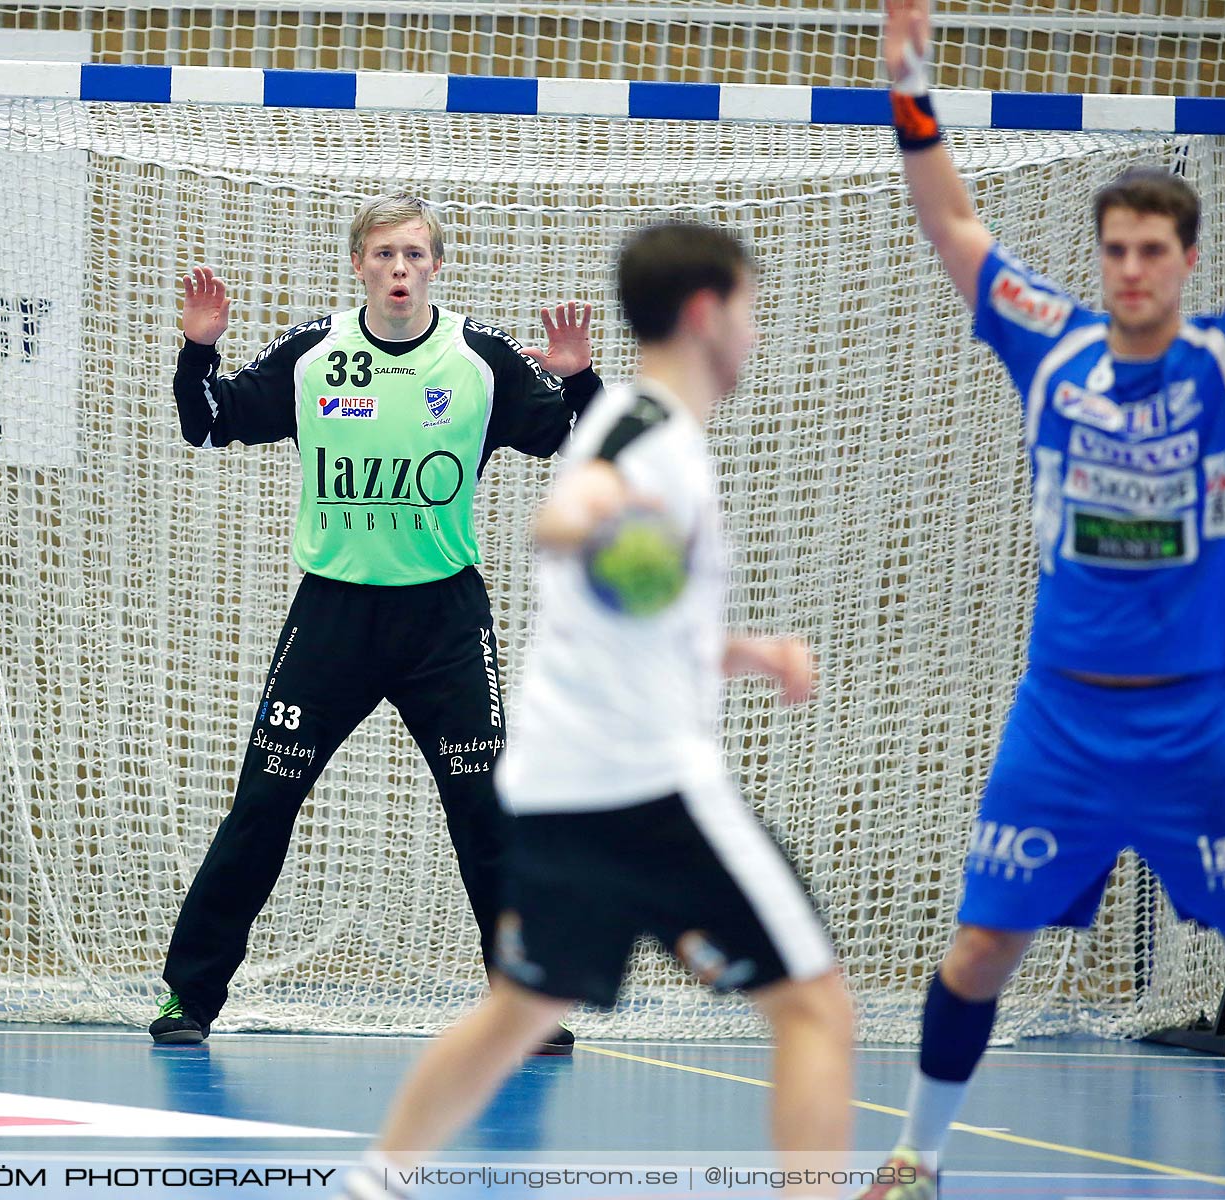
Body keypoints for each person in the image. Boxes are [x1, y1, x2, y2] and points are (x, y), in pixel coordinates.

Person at [335, 220, 855, 1200]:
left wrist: (747, 652)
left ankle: (375, 1182)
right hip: (650, 788)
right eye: (746, 311)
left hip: (563, 792)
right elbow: (571, 517)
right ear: (706, 314)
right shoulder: (642, 434)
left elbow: (642, 609)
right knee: (819, 1009)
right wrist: (585, 519)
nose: (752, 332)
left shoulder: (642, 428)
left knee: (521, 1010)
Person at [861, 3, 1225, 1196]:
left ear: (1187, 258)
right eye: (1116, 250)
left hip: (1198, 721)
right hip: (1062, 720)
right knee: (979, 950)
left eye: (1154, 252)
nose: (1132, 271)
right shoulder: (1050, 343)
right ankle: (917, 1155)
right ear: (1101, 255)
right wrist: (911, 86)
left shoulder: (1222, 364)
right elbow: (949, 217)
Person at [150, 193, 602, 1050]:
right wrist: (198, 352)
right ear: (359, 263)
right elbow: (206, 426)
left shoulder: (481, 359)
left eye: (416, 255)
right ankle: (187, 997)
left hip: (443, 621)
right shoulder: (315, 353)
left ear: (437, 265)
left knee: (489, 816)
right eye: (386, 254)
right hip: (334, 617)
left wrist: (578, 376)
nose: (401, 269)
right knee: (261, 809)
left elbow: (581, 443)